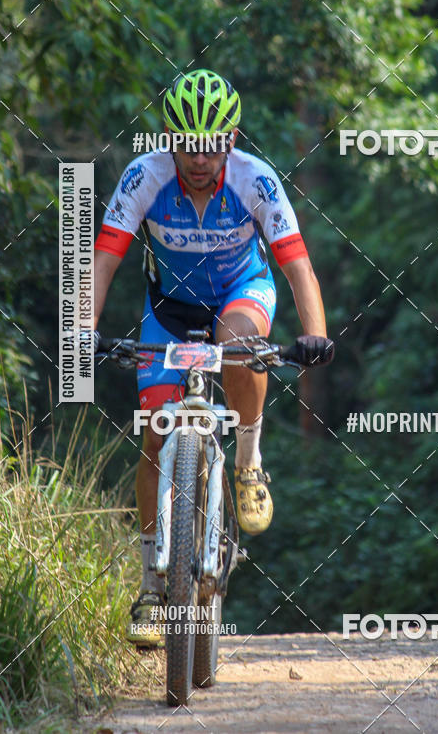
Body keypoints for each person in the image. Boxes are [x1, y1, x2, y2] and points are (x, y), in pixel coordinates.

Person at [92, 68, 334, 646]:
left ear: (231, 138)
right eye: (187, 146)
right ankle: (154, 583)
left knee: (238, 345)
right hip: (169, 311)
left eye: (211, 146)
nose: (199, 160)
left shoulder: (258, 181)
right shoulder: (142, 178)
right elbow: (101, 262)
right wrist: (80, 331)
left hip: (241, 294)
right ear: (169, 140)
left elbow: (297, 267)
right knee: (153, 438)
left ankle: (248, 463)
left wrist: (315, 334)